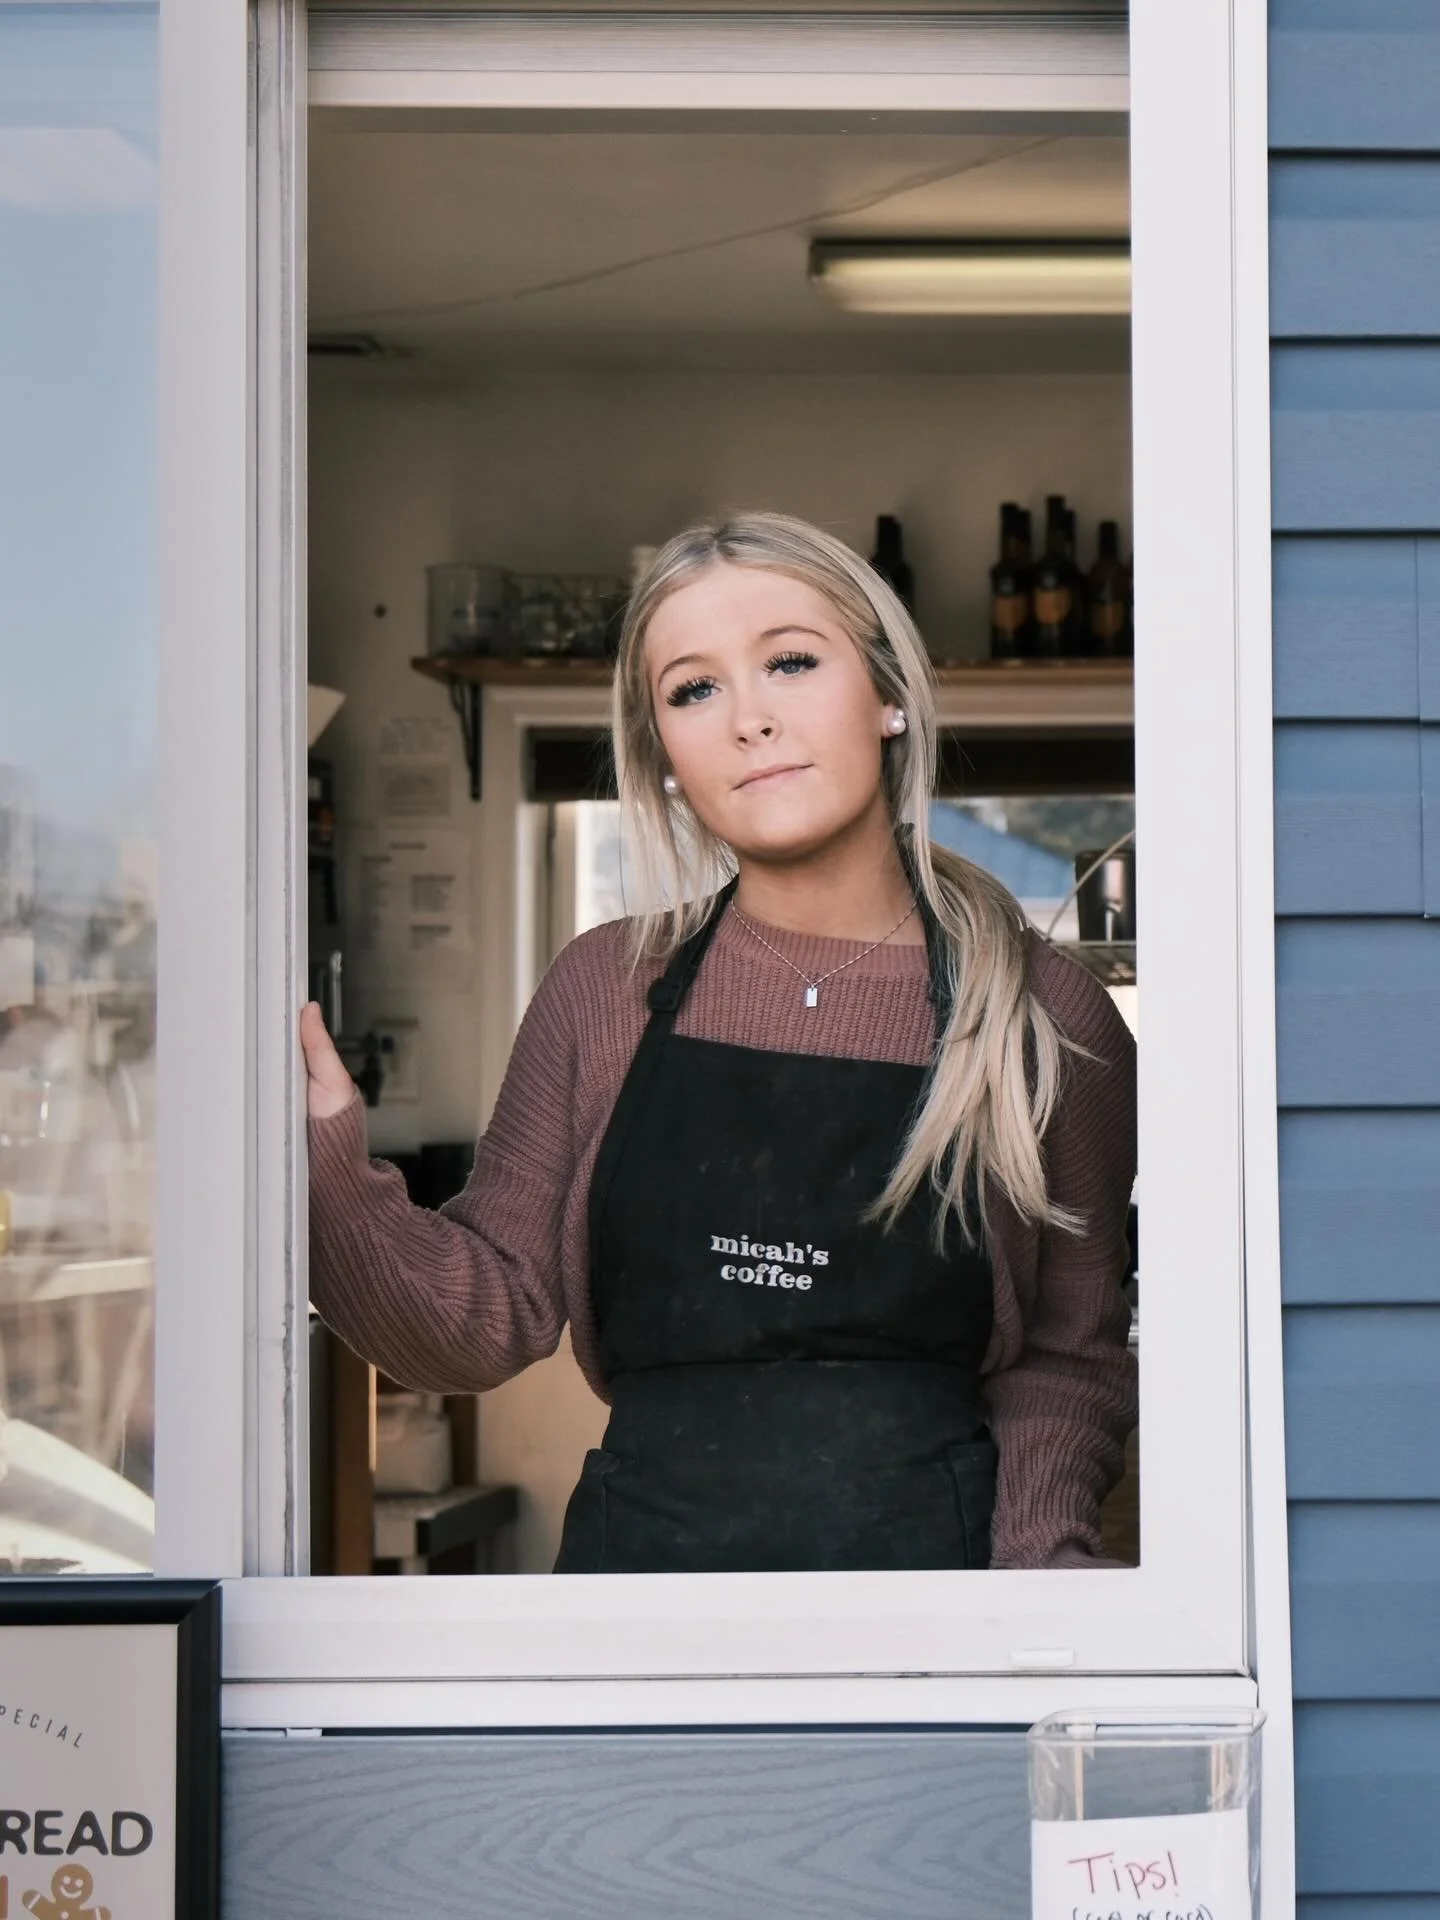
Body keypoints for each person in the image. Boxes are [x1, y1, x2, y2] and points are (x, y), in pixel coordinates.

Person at [304, 511, 1137, 1573]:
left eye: (791, 662)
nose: (750, 719)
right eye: (694, 689)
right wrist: (327, 1157)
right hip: (639, 1622)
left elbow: (1070, 1363)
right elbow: (475, 1326)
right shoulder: (605, 989)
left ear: (888, 697)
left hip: (937, 1618)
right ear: (664, 758)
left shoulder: (1044, 1015)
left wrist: (1035, 1587)